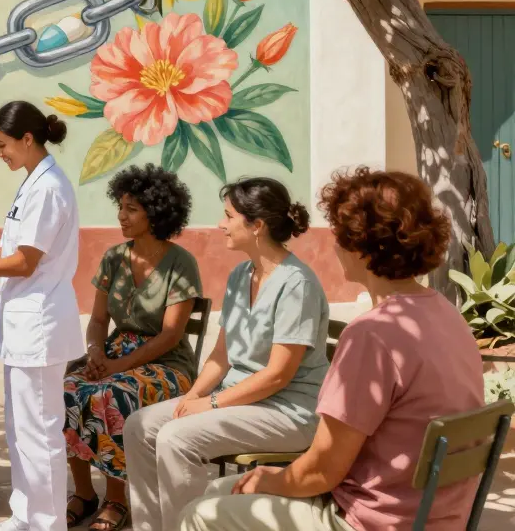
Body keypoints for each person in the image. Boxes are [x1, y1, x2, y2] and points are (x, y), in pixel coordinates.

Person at [177, 168, 485, 531]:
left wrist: (271, 479)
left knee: (198, 515)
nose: (335, 244)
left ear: (362, 246)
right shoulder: (447, 314)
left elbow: (321, 471)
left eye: (340, 233)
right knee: (216, 489)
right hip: (431, 514)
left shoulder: (372, 334)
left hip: (370, 519)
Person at [124, 177, 330, 531]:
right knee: (139, 426)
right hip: (243, 401)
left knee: (177, 437)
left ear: (257, 225)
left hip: (288, 411)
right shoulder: (240, 275)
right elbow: (220, 356)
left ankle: (188, 526)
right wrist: (192, 397)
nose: (221, 224)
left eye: (228, 215)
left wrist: (212, 405)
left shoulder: (298, 284)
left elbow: (278, 375)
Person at [0, 100, 85, 531]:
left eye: (2, 144)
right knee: (22, 432)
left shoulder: (47, 188)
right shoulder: (33, 182)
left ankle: (46, 524)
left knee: (40, 433)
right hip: (26, 323)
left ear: (28, 139)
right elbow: (20, 253)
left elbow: (25, 263)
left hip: (40, 324)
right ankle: (25, 516)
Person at [63, 164, 203, 530]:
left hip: (166, 364)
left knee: (112, 396)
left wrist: (117, 366)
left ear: (155, 213)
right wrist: (96, 353)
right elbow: (97, 320)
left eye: (132, 209)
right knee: (65, 390)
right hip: (113, 354)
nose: (121, 216)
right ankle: (84, 493)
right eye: (120, 206)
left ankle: (116, 498)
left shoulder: (181, 263)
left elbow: (171, 335)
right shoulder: (113, 258)